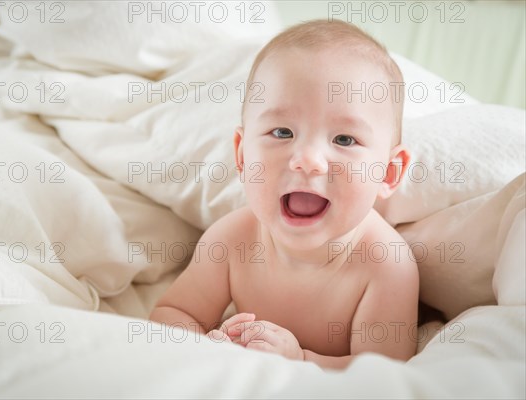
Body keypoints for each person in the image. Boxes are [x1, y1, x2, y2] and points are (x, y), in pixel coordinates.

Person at [149, 19, 419, 369]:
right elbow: (173, 312)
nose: (307, 160)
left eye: (344, 139)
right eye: (282, 131)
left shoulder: (385, 264)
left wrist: (299, 359)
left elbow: (382, 374)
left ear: (388, 171)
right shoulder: (232, 241)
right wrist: (204, 346)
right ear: (243, 155)